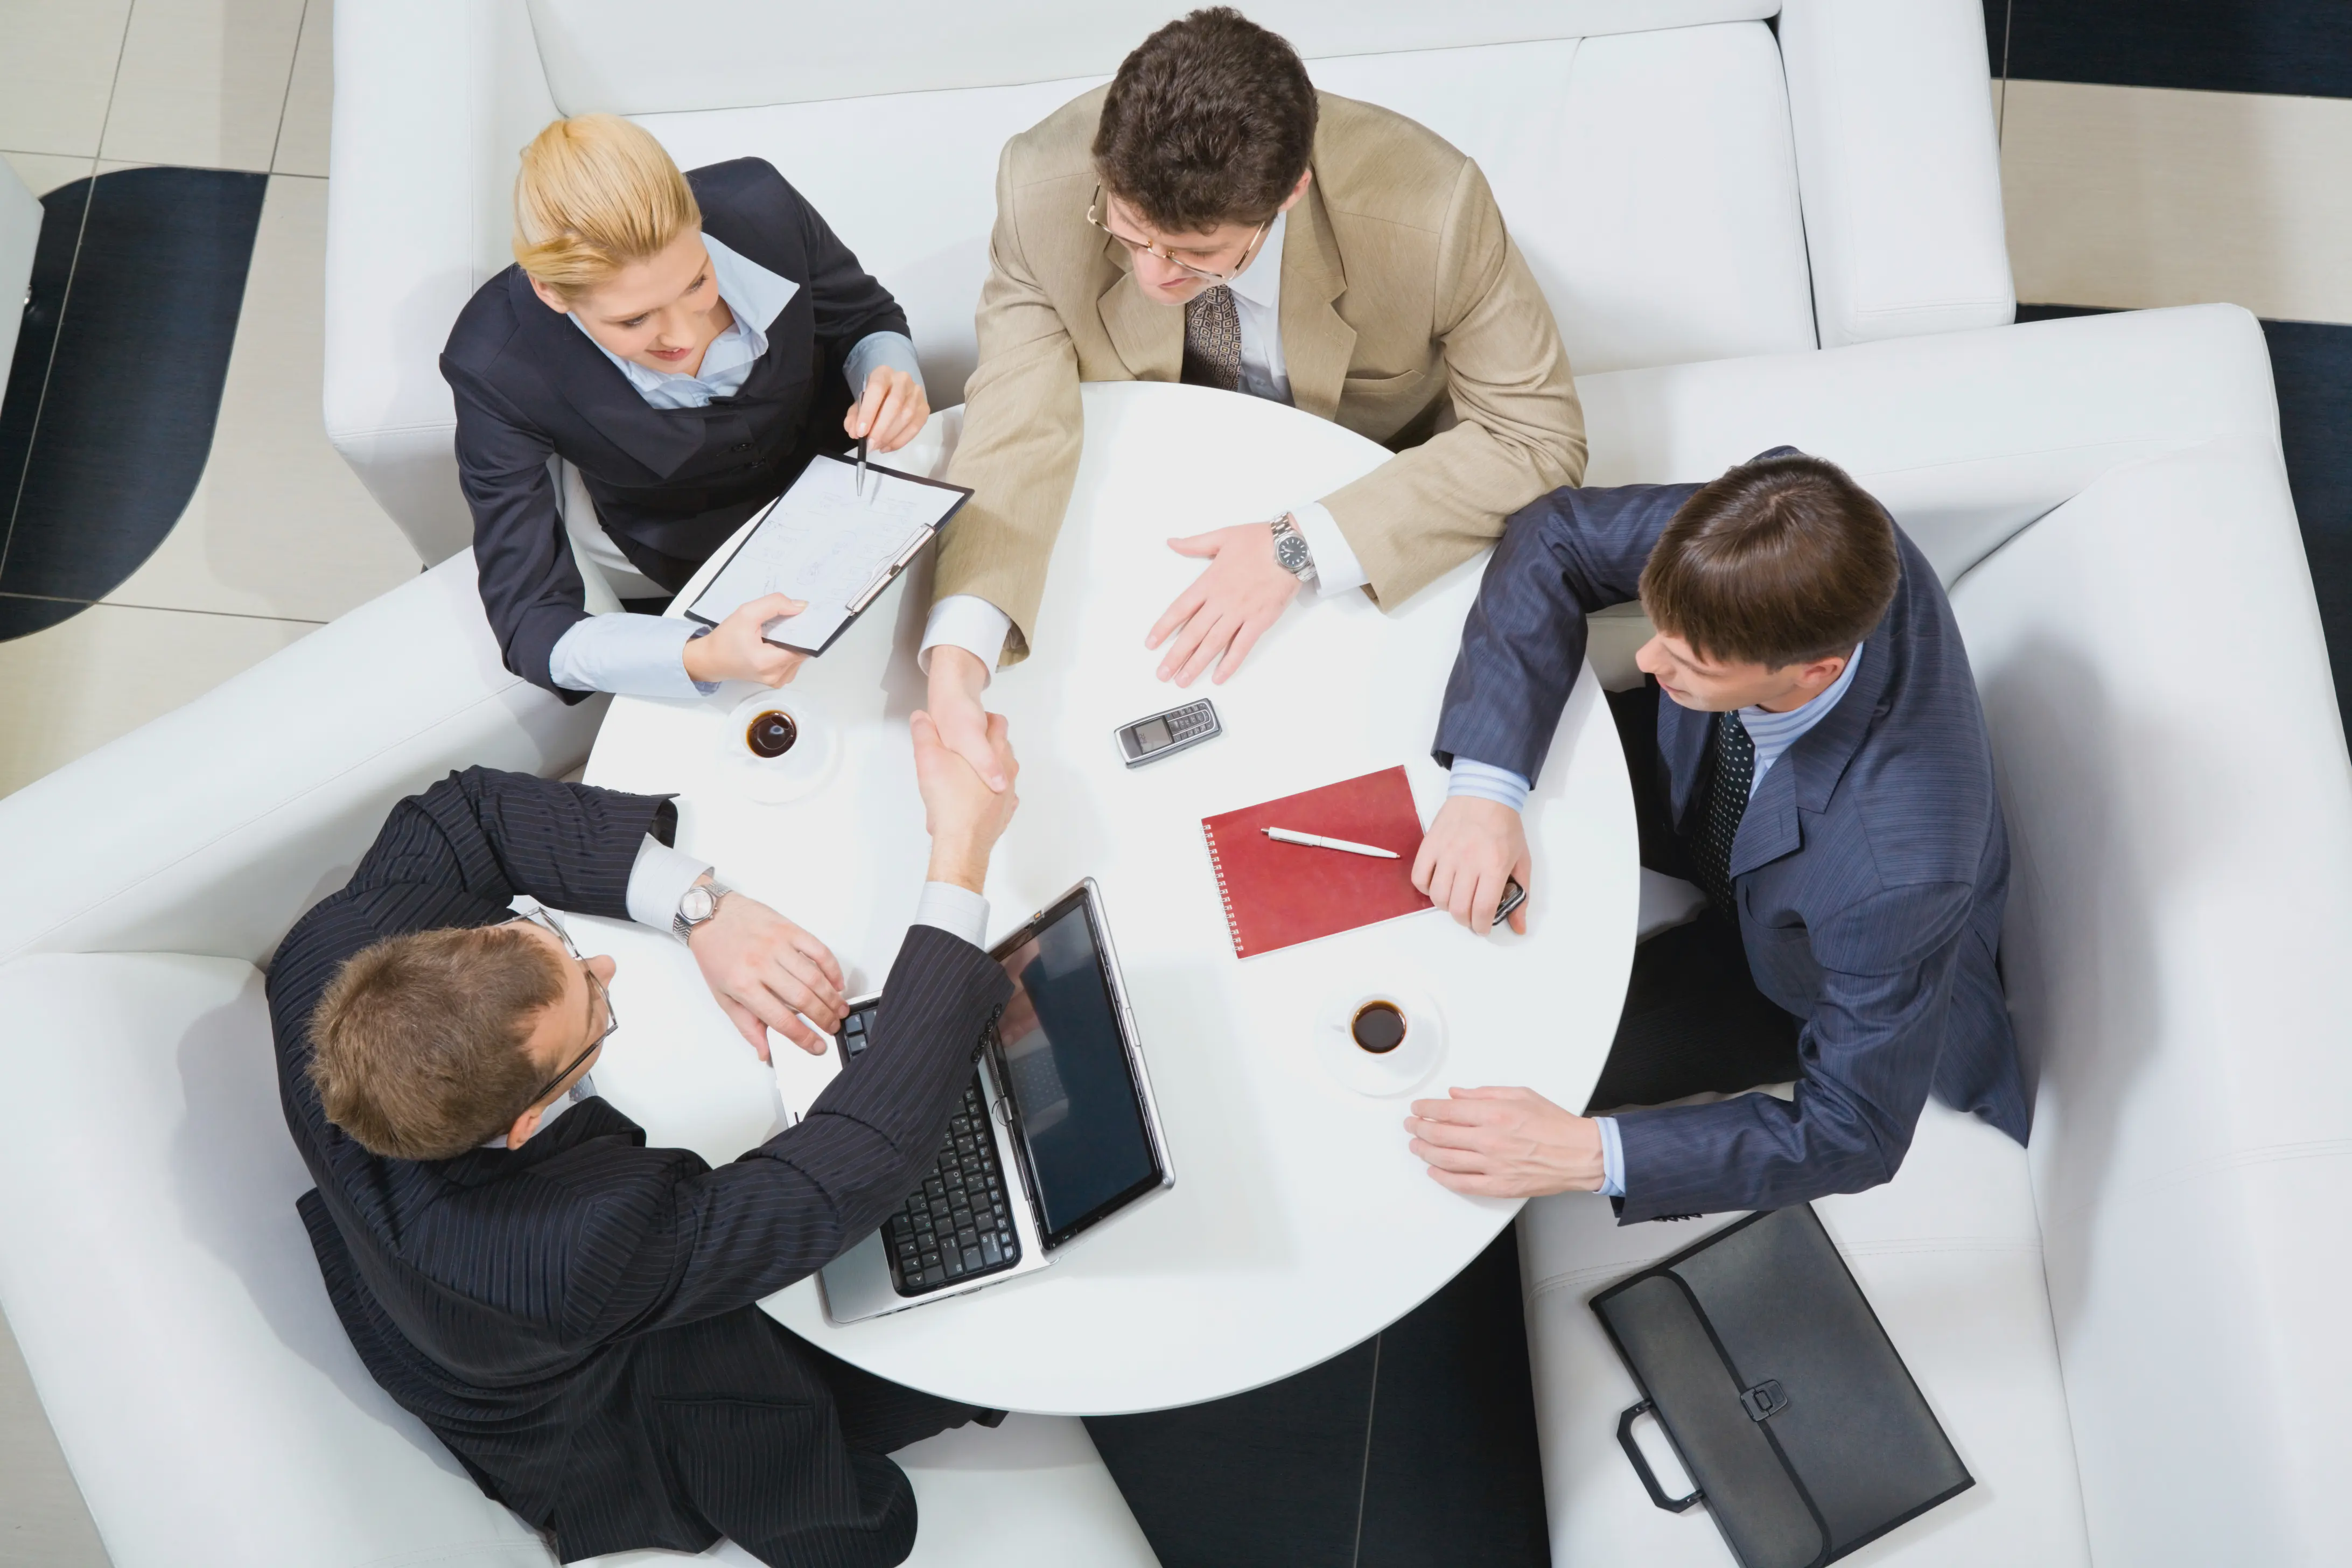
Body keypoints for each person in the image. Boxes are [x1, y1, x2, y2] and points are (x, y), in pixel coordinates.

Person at [267, 709, 1023, 1567]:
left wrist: (703, 912)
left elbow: (467, 813)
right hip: (595, 1405)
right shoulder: (579, 1247)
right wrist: (960, 855)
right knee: (941, 1351)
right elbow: (853, 1165)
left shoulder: (329, 957)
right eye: (596, 1006)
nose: (603, 967)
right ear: (527, 1122)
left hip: (437, 1277)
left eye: (551, 944)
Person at [923, 6, 1585, 790]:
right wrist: (961, 651)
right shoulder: (1038, 185)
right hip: (1134, 513)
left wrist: (1297, 545)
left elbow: (1537, 437)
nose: (1153, 276)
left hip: (1366, 526)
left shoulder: (1434, 211)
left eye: (1197, 255)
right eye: (1130, 231)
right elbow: (1015, 417)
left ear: (1291, 192)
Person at [1406, 450, 2027, 1220]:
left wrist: (1586, 1155)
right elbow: (1556, 534)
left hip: (1801, 967)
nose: (1645, 658)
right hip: (1696, 782)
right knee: (1427, 801)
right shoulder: (1790, 527)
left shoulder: (1899, 876)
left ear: (1814, 671)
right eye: (1657, 627)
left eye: (1689, 659)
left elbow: (1858, 1131)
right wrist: (1484, 796)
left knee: (1497, 1063)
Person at [442, 113, 930, 704]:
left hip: (866, 483)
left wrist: (889, 373)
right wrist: (699, 655)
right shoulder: (494, 365)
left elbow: (863, 316)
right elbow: (529, 620)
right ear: (552, 293)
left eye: (697, 283)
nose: (684, 335)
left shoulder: (764, 204)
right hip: (703, 551)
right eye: (634, 319)